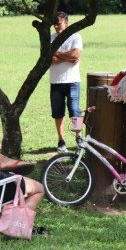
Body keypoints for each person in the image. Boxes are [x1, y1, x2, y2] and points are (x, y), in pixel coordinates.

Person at [49, 12, 82, 153]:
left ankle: (79, 137)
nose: (56, 27)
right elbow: (49, 59)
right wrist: (67, 57)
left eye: (59, 23)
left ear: (66, 23)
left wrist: (57, 54)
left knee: (75, 110)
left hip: (73, 81)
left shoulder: (75, 37)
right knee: (58, 112)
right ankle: (61, 140)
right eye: (55, 24)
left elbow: (76, 55)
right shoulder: (50, 38)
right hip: (56, 81)